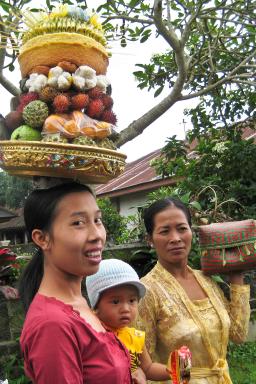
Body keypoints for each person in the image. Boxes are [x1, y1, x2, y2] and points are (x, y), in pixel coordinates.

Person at [19, 182, 133, 384]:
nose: (97, 235)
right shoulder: (52, 325)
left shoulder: (78, 303)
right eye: (78, 223)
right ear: (42, 238)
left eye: (97, 220)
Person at [136, 197, 251, 384]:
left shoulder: (207, 280)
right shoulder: (146, 292)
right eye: (165, 231)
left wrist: (236, 276)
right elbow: (142, 364)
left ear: (191, 232)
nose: (176, 238)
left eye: (182, 228)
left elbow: (238, 334)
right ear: (150, 240)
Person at [86, 258, 171, 382]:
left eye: (132, 300)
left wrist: (173, 370)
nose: (125, 309)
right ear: (96, 305)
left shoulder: (134, 337)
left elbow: (148, 368)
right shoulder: (90, 335)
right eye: (115, 302)